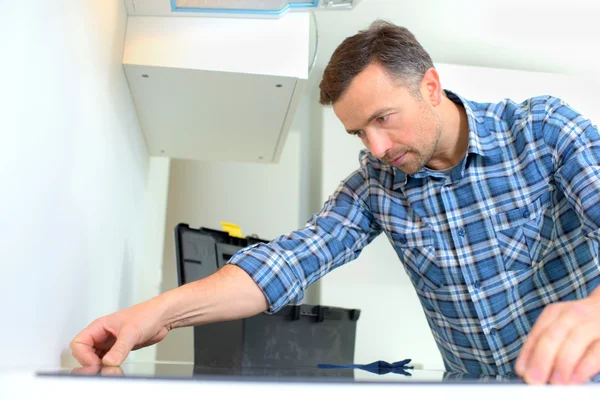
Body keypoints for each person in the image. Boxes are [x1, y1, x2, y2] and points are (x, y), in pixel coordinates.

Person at [70, 20, 600, 385]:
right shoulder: (375, 185)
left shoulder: (540, 130)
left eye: (384, 118)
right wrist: (155, 314)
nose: (376, 149)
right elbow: (285, 263)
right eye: (358, 133)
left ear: (431, 86)